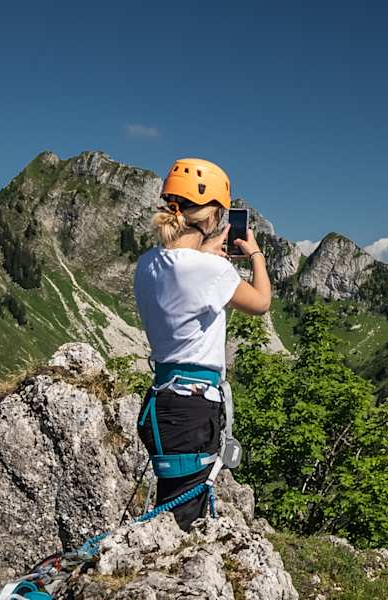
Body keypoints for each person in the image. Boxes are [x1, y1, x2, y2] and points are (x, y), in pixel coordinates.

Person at [132, 157, 270, 530]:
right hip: (192, 408)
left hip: (161, 404)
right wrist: (254, 252)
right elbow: (261, 302)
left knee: (172, 504)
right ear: (211, 218)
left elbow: (180, 274)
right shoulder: (212, 271)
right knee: (183, 521)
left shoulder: (146, 264)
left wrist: (206, 255)